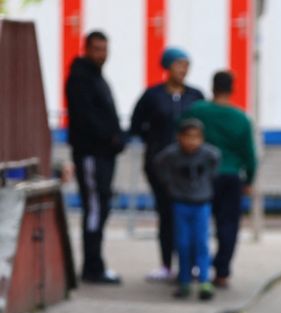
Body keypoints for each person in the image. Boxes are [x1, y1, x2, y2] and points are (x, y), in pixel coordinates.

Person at [130, 47, 205, 282]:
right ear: (167, 66)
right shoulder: (152, 95)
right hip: (161, 169)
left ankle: (190, 264)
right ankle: (166, 264)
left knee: (191, 217)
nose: (183, 70)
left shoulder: (195, 96)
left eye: (186, 65)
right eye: (179, 64)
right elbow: (136, 125)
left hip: (191, 170)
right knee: (166, 215)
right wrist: (155, 145)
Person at [183, 71, 257, 289]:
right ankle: (222, 273)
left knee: (199, 224)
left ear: (212, 87)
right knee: (228, 225)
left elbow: (181, 132)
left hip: (202, 176)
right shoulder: (241, 117)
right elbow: (249, 154)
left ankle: (197, 268)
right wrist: (249, 180)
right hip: (232, 177)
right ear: (232, 88)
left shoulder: (197, 111)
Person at [65, 30, 125, 285]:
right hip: (91, 153)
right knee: (95, 209)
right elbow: (85, 117)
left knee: (100, 207)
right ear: (87, 49)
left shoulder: (96, 77)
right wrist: (109, 137)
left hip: (103, 154)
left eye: (105, 49)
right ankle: (92, 266)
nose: (102, 54)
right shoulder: (80, 77)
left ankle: (95, 263)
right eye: (98, 49)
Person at [153, 119, 220, 300]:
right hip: (180, 203)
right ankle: (184, 280)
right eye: (187, 137)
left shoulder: (208, 154)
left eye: (196, 138)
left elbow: (216, 161)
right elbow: (158, 164)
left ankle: (204, 280)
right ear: (179, 138)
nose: (192, 142)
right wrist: (169, 183)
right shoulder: (172, 154)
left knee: (201, 243)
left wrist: (206, 183)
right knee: (183, 244)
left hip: (201, 203)